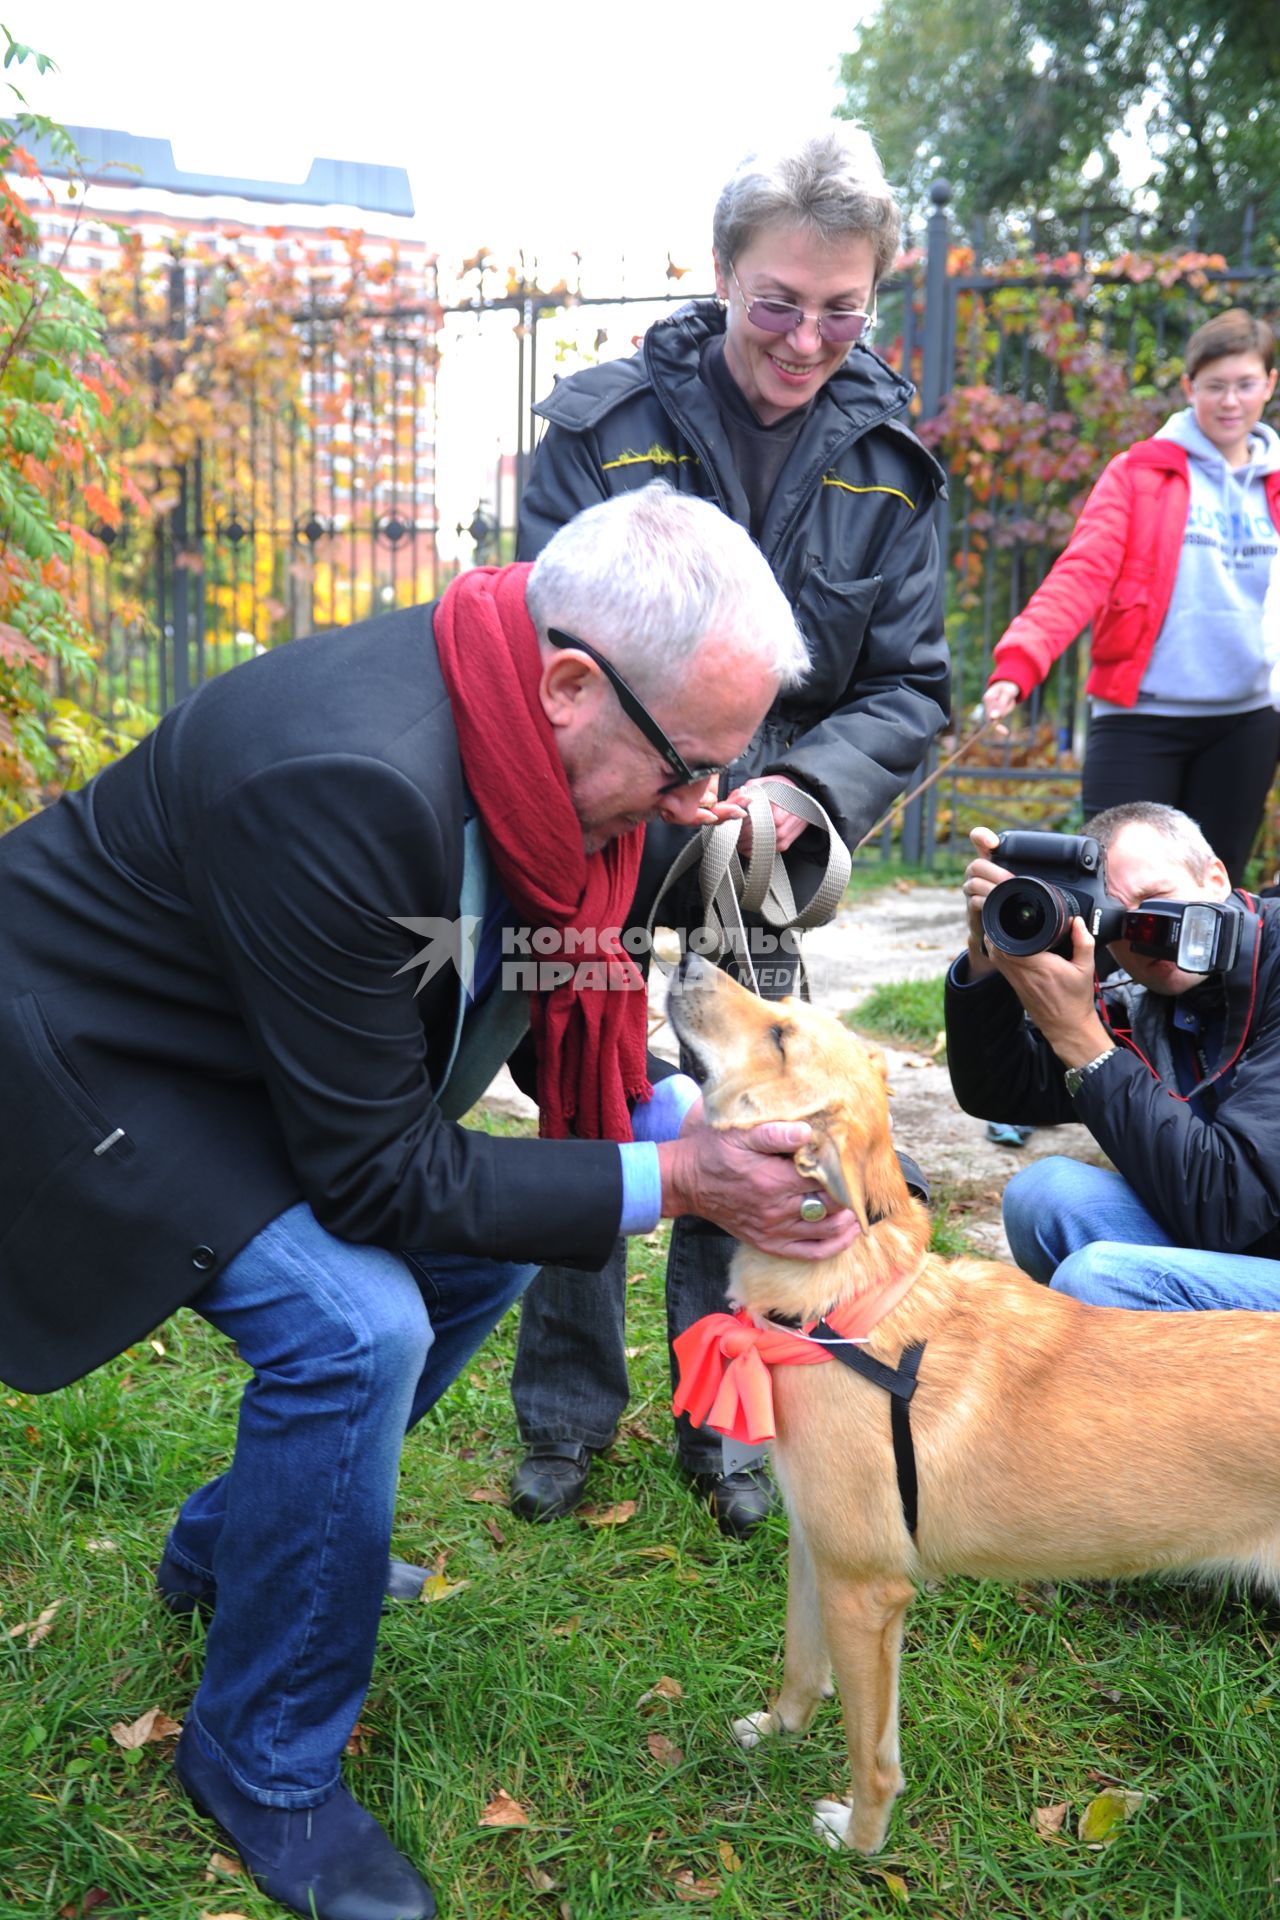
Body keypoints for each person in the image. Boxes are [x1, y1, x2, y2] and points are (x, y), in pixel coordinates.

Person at [0, 487, 870, 1920]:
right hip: (94, 1054)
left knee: (487, 1257)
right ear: (574, 685)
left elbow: (597, 920)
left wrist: (690, 1067)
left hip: (250, 1039)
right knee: (357, 1325)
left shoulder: (545, 726)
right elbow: (376, 1173)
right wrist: (683, 1176)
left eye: (729, 772)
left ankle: (243, 1544)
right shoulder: (343, 776)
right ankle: (260, 1756)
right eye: (691, 771)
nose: (698, 808)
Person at [507, 126, 950, 1539]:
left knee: (749, 1116)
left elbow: (909, 686)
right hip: (603, 819)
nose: (807, 336)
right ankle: (568, 1416)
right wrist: (646, 772)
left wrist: (799, 792)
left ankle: (725, 1411)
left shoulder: (892, 466)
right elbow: (535, 640)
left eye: (843, 308)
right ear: (721, 274)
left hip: (760, 840)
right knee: (586, 1092)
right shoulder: (599, 429)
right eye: (779, 300)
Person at [983, 308, 1280, 890]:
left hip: (1245, 722)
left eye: (1246, 385)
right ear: (1189, 387)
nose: (1230, 401)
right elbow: (1081, 573)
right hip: (1138, 718)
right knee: (1105, 893)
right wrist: (1018, 665)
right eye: (1214, 386)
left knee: (1213, 898)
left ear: (1269, 385)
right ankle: (1098, 987)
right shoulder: (1138, 473)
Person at [944, 802, 1280, 1310]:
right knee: (1043, 1193)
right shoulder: (1144, 997)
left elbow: (1233, 1202)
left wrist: (1080, 1036)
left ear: (1215, 878)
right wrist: (988, 960)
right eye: (1122, 922)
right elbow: (1001, 1089)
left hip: (1241, 1222)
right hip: (1247, 1242)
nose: (1150, 935)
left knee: (1099, 1279)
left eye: (1157, 900)